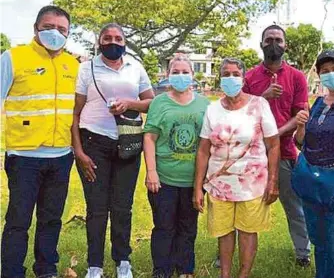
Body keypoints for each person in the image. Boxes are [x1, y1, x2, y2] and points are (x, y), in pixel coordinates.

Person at [1, 6, 79, 278]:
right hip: (24, 157)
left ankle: (46, 269)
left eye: (62, 30)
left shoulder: (73, 65)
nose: (55, 33)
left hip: (61, 156)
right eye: (48, 27)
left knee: (51, 219)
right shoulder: (13, 58)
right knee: (18, 221)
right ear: (35, 28)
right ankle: (11, 271)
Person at [72, 23, 154, 278]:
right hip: (93, 143)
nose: (113, 42)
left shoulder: (135, 67)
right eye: (107, 38)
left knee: (122, 207)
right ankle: (94, 265)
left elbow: (152, 102)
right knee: (96, 208)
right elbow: (75, 113)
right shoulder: (87, 68)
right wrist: (78, 150)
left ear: (125, 42)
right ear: (98, 42)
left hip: (128, 144)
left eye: (118, 38)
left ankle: (123, 260)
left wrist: (130, 103)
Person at [194, 58, 280, 278]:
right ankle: (225, 274)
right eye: (226, 74)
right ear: (219, 78)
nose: (230, 78)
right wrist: (197, 188)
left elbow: (273, 144)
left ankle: (243, 274)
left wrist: (273, 181)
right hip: (219, 183)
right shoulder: (212, 109)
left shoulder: (259, 104)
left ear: (243, 78)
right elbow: (203, 150)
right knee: (223, 231)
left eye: (235, 74)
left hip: (251, 183)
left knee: (248, 231)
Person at [242, 24, 311, 266]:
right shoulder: (249, 77)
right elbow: (237, 112)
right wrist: (263, 96)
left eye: (278, 40)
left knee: (294, 207)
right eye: (269, 39)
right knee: (242, 203)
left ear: (285, 45)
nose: (274, 44)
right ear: (261, 44)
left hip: (284, 153)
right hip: (250, 154)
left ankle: (303, 253)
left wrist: (276, 134)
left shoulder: (297, 77)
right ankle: (228, 253)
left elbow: (301, 113)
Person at [143, 53, 210, 278]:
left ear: (192, 75)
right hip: (164, 179)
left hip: (193, 180)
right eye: (175, 72)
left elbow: (208, 142)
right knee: (164, 227)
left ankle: (185, 269)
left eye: (185, 72)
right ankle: (161, 270)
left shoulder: (204, 104)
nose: (180, 76)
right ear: (168, 75)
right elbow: (150, 137)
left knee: (187, 227)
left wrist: (203, 182)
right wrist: (151, 172)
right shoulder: (159, 103)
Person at [294, 50, 334, 278]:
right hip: (313, 184)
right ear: (318, 75)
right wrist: (300, 126)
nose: (331, 74)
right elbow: (302, 143)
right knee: (320, 243)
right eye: (325, 71)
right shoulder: (317, 103)